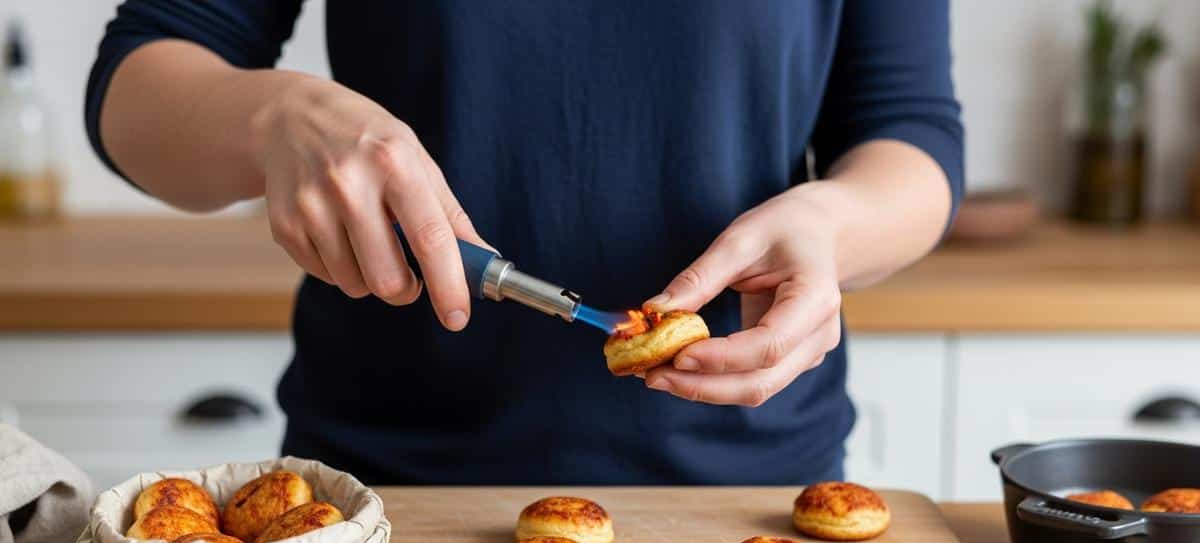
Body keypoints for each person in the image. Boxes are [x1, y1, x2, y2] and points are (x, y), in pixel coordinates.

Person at [87, 2, 962, 485]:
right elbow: (135, 81)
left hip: (753, 499)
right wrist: (271, 116)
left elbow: (910, 133)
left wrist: (833, 227)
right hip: (379, 490)